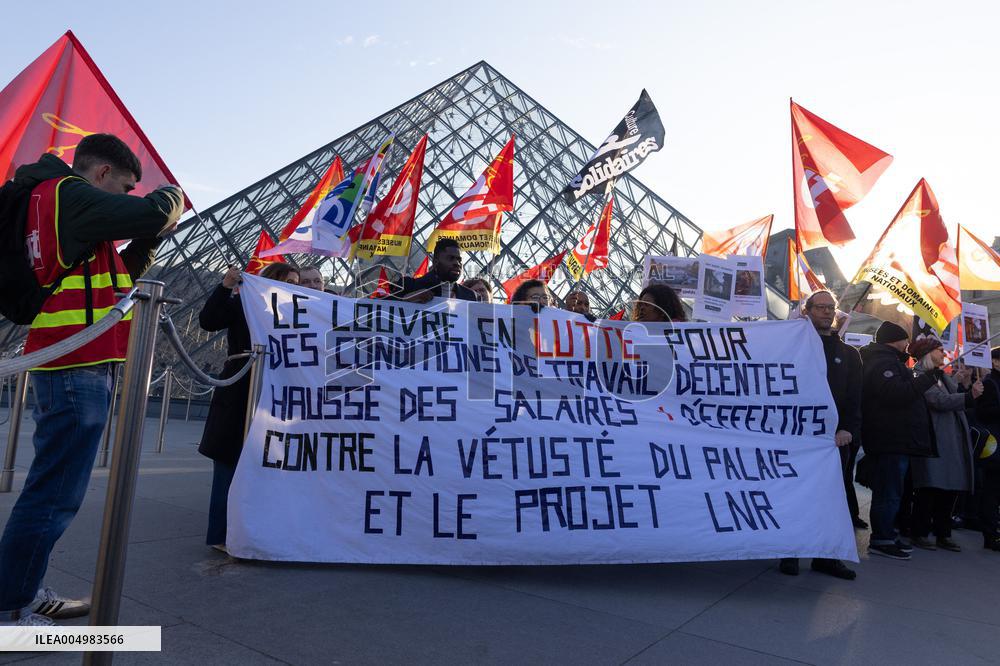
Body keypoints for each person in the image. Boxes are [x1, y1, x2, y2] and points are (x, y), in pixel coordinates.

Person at [0, 135, 184, 627]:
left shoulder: (59, 206)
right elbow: (152, 213)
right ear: (102, 175)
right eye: (125, 188)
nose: (126, 199)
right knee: (55, 492)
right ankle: (9, 612)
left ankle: (21, 589)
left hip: (74, 357)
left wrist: (149, 238)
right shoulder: (68, 194)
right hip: (75, 362)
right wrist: (172, 197)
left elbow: (115, 275)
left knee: (54, 487)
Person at [197, 262, 299, 552]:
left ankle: (255, 530)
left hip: (276, 393)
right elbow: (208, 320)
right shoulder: (245, 304)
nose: (293, 286)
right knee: (228, 464)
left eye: (296, 282)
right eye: (287, 280)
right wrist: (226, 285)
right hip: (240, 389)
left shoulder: (298, 314)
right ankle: (220, 535)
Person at [779, 291, 860, 580]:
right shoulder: (790, 349)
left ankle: (826, 557)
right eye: (821, 307)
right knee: (794, 495)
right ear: (807, 311)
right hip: (797, 437)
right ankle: (789, 552)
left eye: (831, 308)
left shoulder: (849, 354)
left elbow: (854, 398)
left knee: (831, 499)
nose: (827, 312)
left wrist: (848, 428)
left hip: (833, 441)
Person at [860, 321, 940, 560]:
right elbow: (897, 394)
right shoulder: (883, 363)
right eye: (905, 339)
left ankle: (888, 534)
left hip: (895, 439)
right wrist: (927, 378)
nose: (908, 344)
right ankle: (882, 538)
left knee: (892, 491)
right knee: (888, 492)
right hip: (889, 439)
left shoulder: (890, 362)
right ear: (896, 340)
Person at [908, 338, 982, 551]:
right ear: (927, 353)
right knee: (930, 488)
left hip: (951, 438)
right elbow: (938, 401)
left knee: (949, 490)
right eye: (940, 351)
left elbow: (952, 394)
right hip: (934, 439)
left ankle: (943, 533)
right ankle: (920, 532)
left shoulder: (941, 375)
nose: (944, 354)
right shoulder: (919, 374)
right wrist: (969, 396)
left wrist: (965, 385)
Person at [395, 238, 476, 302]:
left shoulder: (470, 296)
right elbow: (384, 309)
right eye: (450, 258)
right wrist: (406, 299)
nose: (457, 263)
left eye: (459, 260)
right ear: (435, 262)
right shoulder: (409, 286)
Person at [975, 347, 1000, 550]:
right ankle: (990, 535)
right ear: (995, 362)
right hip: (995, 444)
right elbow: (983, 412)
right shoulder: (989, 384)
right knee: (992, 489)